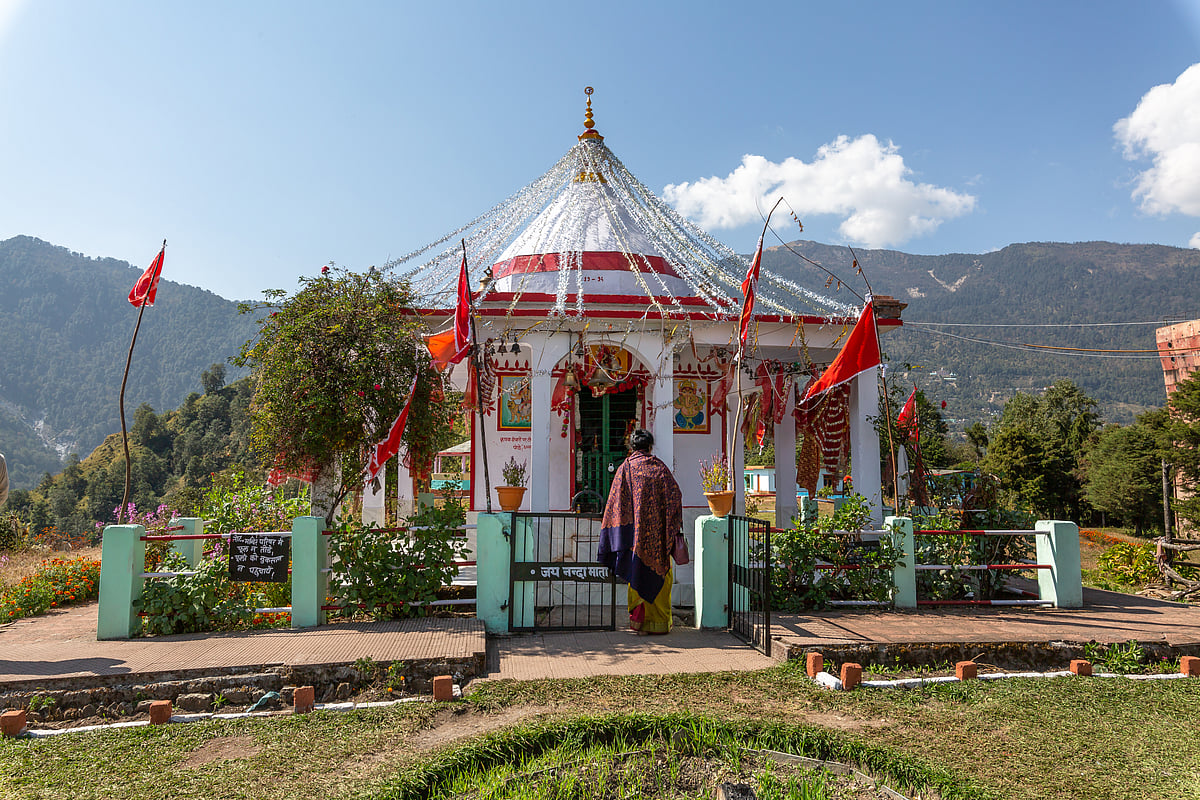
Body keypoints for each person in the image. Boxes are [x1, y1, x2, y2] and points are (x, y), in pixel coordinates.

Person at [598, 429, 683, 634]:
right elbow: (675, 496)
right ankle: (660, 625)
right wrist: (667, 524)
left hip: (634, 540)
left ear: (632, 447)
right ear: (650, 446)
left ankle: (640, 625)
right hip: (658, 540)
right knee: (661, 578)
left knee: (636, 574)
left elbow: (614, 503)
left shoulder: (625, 468)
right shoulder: (660, 468)